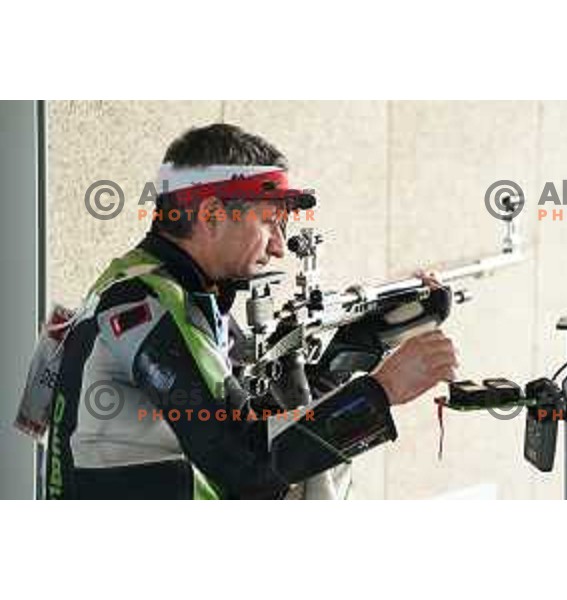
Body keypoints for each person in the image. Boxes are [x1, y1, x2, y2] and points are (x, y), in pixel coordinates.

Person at [43, 123, 458, 500]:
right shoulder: (150, 306)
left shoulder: (162, 287)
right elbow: (248, 465)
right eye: (269, 222)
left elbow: (259, 417)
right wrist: (382, 392)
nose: (279, 246)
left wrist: (358, 344)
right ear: (210, 215)